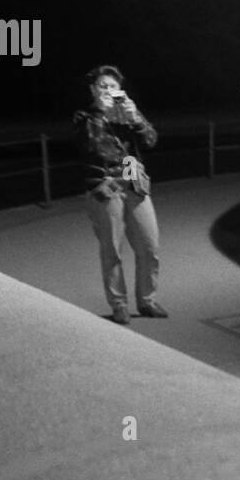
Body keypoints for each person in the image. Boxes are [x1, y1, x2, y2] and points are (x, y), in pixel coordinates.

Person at [72, 65, 165, 325]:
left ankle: (147, 300)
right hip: (106, 186)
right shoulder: (85, 117)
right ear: (93, 90)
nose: (108, 91)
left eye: (112, 86)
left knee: (150, 247)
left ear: (120, 90)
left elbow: (151, 140)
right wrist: (100, 113)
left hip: (135, 184)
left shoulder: (127, 113)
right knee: (112, 250)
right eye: (102, 86)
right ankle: (119, 305)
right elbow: (93, 146)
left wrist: (136, 118)